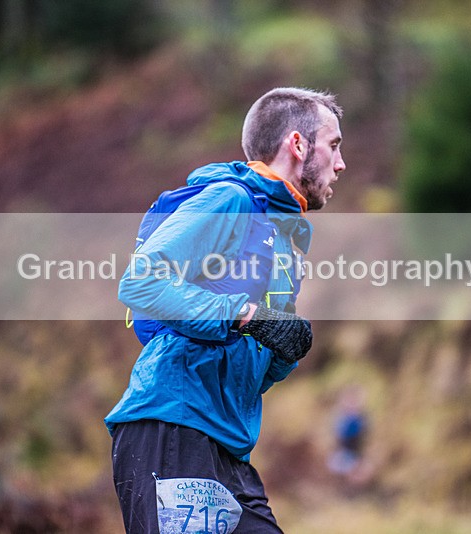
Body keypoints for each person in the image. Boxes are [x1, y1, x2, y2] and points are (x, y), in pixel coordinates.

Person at [104, 87, 346, 533]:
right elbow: (140, 281)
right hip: (171, 427)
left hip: (227, 447)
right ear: (297, 145)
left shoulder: (286, 242)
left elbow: (249, 358)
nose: (340, 163)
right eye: (334, 146)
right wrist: (247, 316)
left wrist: (283, 352)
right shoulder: (229, 201)